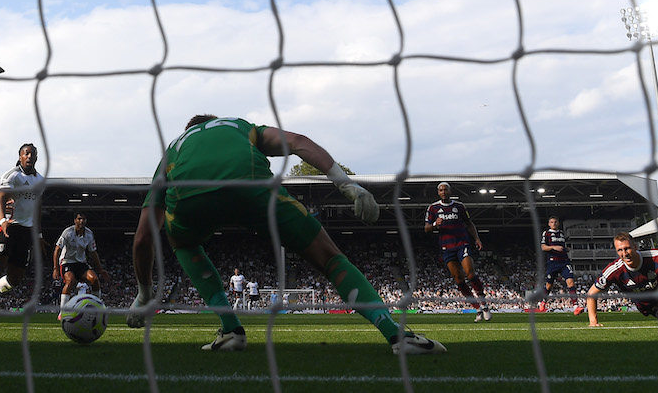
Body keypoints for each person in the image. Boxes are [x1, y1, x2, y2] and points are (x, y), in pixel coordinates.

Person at [126, 114, 445, 355]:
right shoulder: (239, 126)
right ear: (215, 122)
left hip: (189, 201)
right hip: (253, 189)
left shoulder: (172, 151)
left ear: (189, 133)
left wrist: (144, 293)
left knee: (179, 239)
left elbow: (142, 238)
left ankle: (231, 331)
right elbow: (299, 141)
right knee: (331, 258)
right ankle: (397, 336)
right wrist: (347, 184)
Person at [0, 143, 46, 327]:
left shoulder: (40, 181)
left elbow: (37, 208)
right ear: (20, 156)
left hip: (26, 232)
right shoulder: (12, 175)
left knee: (15, 279)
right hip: (8, 227)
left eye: (32, 154)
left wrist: (39, 234)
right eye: (26, 154)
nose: (29, 157)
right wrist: (3, 221)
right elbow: (1, 199)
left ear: (36, 157)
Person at [424, 182, 491, 322]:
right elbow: (426, 229)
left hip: (462, 243)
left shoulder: (459, 206)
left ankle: (484, 304)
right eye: (441, 190)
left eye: (445, 190)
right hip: (447, 247)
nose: (443, 192)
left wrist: (477, 239)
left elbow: (469, 223)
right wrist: (435, 224)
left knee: (470, 274)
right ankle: (477, 308)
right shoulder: (433, 208)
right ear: (438, 192)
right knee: (459, 279)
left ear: (450, 191)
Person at [53, 212, 109, 318]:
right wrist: (55, 268)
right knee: (70, 281)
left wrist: (101, 270)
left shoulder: (89, 234)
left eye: (83, 219)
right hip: (67, 261)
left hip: (81, 262)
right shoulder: (67, 232)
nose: (81, 221)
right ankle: (62, 312)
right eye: (79, 219)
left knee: (94, 279)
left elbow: (93, 252)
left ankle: (98, 307)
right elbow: (57, 249)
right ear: (75, 220)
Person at [540, 216, 582, 315]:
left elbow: (561, 246)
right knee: (548, 285)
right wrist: (554, 247)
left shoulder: (562, 234)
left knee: (571, 282)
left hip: (564, 262)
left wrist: (565, 249)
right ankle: (543, 302)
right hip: (553, 262)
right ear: (549, 224)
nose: (554, 223)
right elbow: (543, 247)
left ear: (558, 223)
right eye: (551, 222)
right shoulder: (546, 233)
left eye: (555, 222)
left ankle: (576, 306)